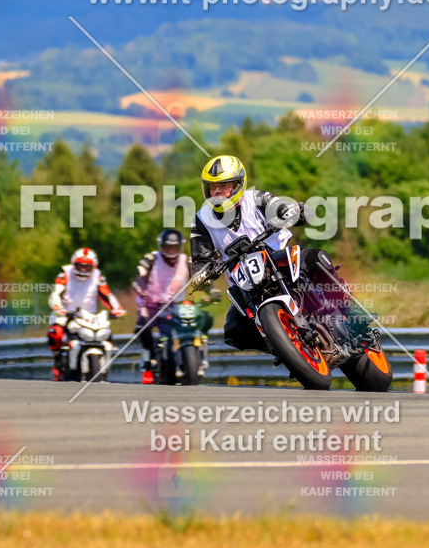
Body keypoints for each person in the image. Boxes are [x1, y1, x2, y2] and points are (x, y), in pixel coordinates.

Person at [188, 154, 365, 353]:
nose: (217, 192)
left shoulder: (256, 199)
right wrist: (200, 274)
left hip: (278, 259)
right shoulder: (201, 219)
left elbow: (280, 208)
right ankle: (284, 347)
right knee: (233, 331)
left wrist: (293, 212)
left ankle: (348, 306)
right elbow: (200, 258)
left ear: (237, 185)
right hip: (244, 283)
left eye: (223, 186)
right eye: (212, 187)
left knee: (314, 258)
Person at [46, 248, 126, 381]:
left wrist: (117, 308)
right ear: (74, 264)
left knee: (106, 332)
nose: (83, 269)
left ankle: (103, 365)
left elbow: (106, 294)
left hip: (89, 316)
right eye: (80, 265)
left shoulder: (98, 277)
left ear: (94, 266)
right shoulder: (65, 274)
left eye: (87, 266)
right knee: (56, 333)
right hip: (66, 313)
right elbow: (56, 293)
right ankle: (58, 360)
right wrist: (58, 307)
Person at [132, 229, 194, 376]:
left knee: (194, 322)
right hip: (153, 304)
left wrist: (212, 291)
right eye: (168, 247)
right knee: (143, 326)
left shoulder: (187, 261)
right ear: (161, 246)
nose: (171, 251)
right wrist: (142, 293)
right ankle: (149, 355)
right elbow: (139, 278)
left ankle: (195, 352)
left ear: (180, 247)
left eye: (174, 247)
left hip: (179, 304)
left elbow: (200, 278)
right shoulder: (151, 259)